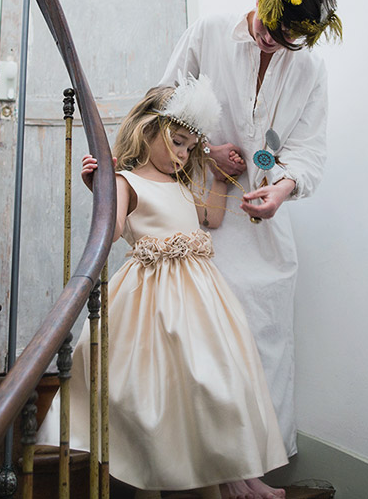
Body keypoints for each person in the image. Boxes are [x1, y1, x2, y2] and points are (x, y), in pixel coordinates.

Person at [37, 75, 288, 499]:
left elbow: (211, 218)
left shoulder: (184, 184)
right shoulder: (126, 180)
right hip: (153, 297)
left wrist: (220, 180)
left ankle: (240, 471)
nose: (183, 154)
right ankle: (223, 477)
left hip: (201, 296)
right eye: (176, 142)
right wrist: (100, 190)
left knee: (222, 376)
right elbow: (114, 230)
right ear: (147, 130)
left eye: (190, 147)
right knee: (176, 383)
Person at [159, 0, 342, 464]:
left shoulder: (310, 70)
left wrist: (283, 188)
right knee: (204, 339)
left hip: (263, 227)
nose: (270, 40)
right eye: (268, 26)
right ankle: (204, 467)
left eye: (287, 38)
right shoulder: (209, 33)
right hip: (200, 215)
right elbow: (164, 105)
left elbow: (309, 150)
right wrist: (205, 150)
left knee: (265, 341)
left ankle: (259, 462)